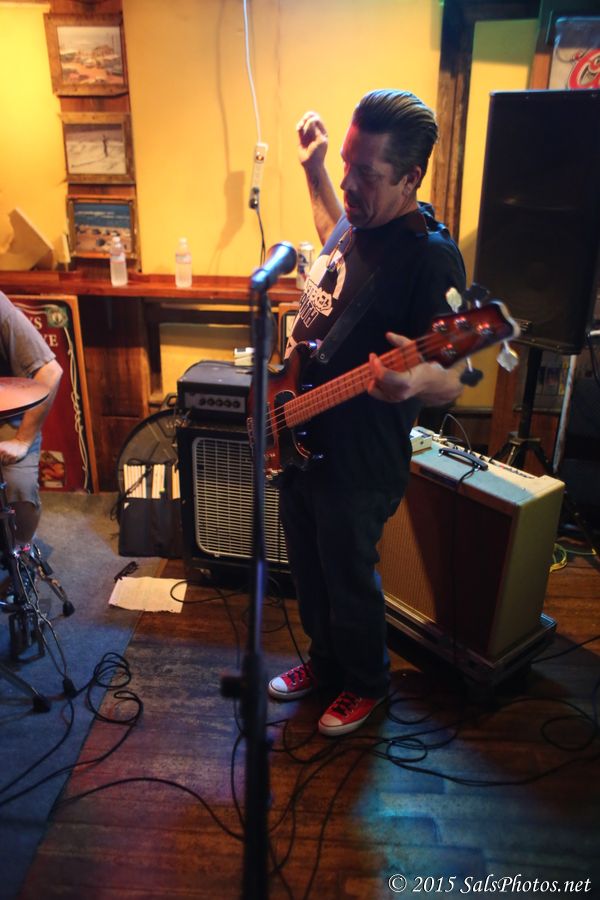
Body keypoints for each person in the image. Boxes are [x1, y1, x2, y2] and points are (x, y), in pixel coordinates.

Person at [267, 90, 467, 737]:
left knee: (348, 577)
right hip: (304, 434)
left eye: (367, 174)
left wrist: (412, 384)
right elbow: (335, 240)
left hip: (359, 458)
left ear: (410, 178)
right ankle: (327, 663)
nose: (350, 185)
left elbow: (455, 375)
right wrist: (314, 169)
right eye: (347, 165)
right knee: (310, 570)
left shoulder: (430, 257)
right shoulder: (357, 217)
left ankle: (367, 683)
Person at [0, 291, 62, 547]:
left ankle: (19, 547)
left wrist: (22, 440)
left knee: (17, 486)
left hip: (6, 419)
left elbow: (50, 372)